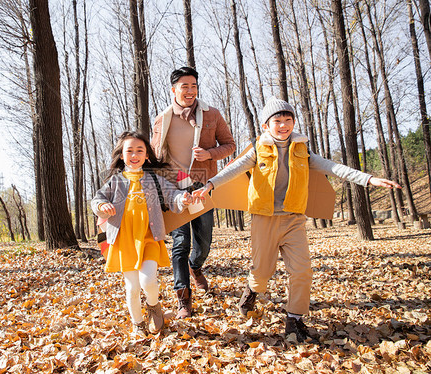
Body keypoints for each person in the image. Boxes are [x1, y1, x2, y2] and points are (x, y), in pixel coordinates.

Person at [193, 97, 401, 343]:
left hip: (294, 219)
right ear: (266, 126)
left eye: (288, 120)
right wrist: (209, 185)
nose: (283, 126)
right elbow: (233, 169)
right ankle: (251, 292)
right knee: (262, 272)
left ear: (293, 122)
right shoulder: (258, 148)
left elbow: (333, 167)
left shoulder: (303, 149)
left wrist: (368, 179)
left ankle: (294, 320)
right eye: (277, 121)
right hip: (264, 218)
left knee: (302, 271)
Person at [151, 66, 236, 318]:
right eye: (184, 86)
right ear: (173, 90)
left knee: (204, 240)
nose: (190, 91)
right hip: (175, 185)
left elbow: (230, 145)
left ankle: (195, 266)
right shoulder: (162, 119)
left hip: (202, 183)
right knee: (180, 242)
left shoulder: (211, 114)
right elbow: (156, 156)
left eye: (194, 86)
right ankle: (183, 299)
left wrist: (210, 154)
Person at [91, 130, 193, 335]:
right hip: (125, 240)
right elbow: (97, 199)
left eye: (140, 150)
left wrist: (183, 198)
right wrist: (102, 206)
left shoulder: (154, 180)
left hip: (148, 237)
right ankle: (138, 324)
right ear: (122, 155)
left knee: (148, 281)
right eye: (129, 151)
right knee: (132, 287)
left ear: (147, 155)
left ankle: (154, 306)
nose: (135, 155)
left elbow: (173, 195)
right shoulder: (116, 181)